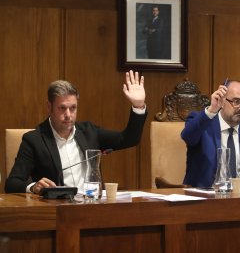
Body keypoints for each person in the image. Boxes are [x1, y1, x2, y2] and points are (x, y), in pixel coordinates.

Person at [5, 70, 147, 194]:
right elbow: (12, 183)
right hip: (57, 211)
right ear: (49, 107)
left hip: (91, 205)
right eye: (62, 108)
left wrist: (138, 106)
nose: (68, 114)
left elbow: (129, 138)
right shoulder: (34, 140)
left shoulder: (89, 132)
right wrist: (33, 187)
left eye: (73, 108)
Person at [181, 80, 240, 188]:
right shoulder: (203, 124)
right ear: (222, 101)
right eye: (236, 101)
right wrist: (211, 110)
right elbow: (188, 136)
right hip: (206, 198)